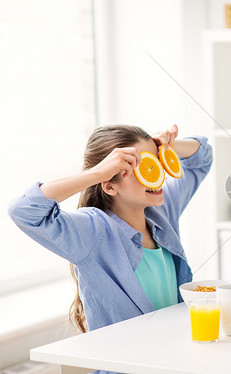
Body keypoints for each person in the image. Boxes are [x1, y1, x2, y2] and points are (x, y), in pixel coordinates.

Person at [9, 124, 212, 333]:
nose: (158, 174)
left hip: (171, 356)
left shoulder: (161, 212)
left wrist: (170, 147)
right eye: (140, 166)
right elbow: (23, 211)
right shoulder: (93, 230)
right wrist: (96, 174)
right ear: (109, 185)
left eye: (155, 162)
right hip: (124, 364)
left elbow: (203, 157)